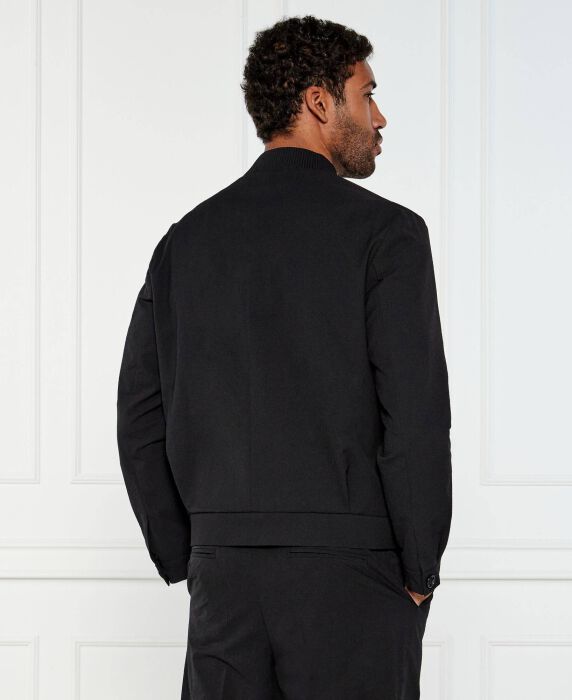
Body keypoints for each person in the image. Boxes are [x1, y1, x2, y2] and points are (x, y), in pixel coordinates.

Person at [116, 13, 452, 700]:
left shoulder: (186, 241)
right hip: (354, 577)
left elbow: (139, 415)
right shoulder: (387, 235)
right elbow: (414, 414)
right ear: (319, 102)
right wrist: (420, 569)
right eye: (366, 94)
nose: (380, 116)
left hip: (225, 581)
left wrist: (188, 552)